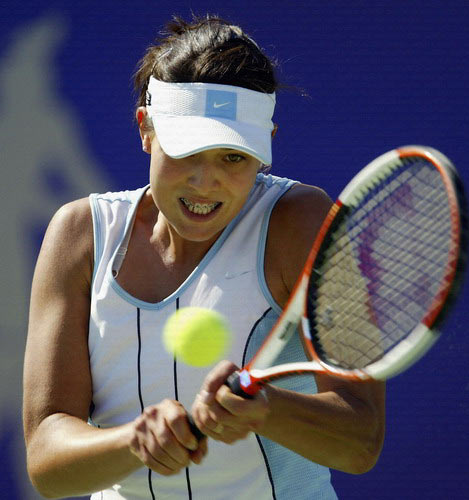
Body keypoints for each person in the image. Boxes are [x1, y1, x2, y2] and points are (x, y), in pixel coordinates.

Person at [23, 15, 385, 500]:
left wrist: (267, 409)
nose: (205, 181)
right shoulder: (79, 235)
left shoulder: (301, 223)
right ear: (145, 129)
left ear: (266, 148)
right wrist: (136, 440)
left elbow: (361, 442)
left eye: (233, 157)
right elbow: (47, 464)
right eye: (187, 151)